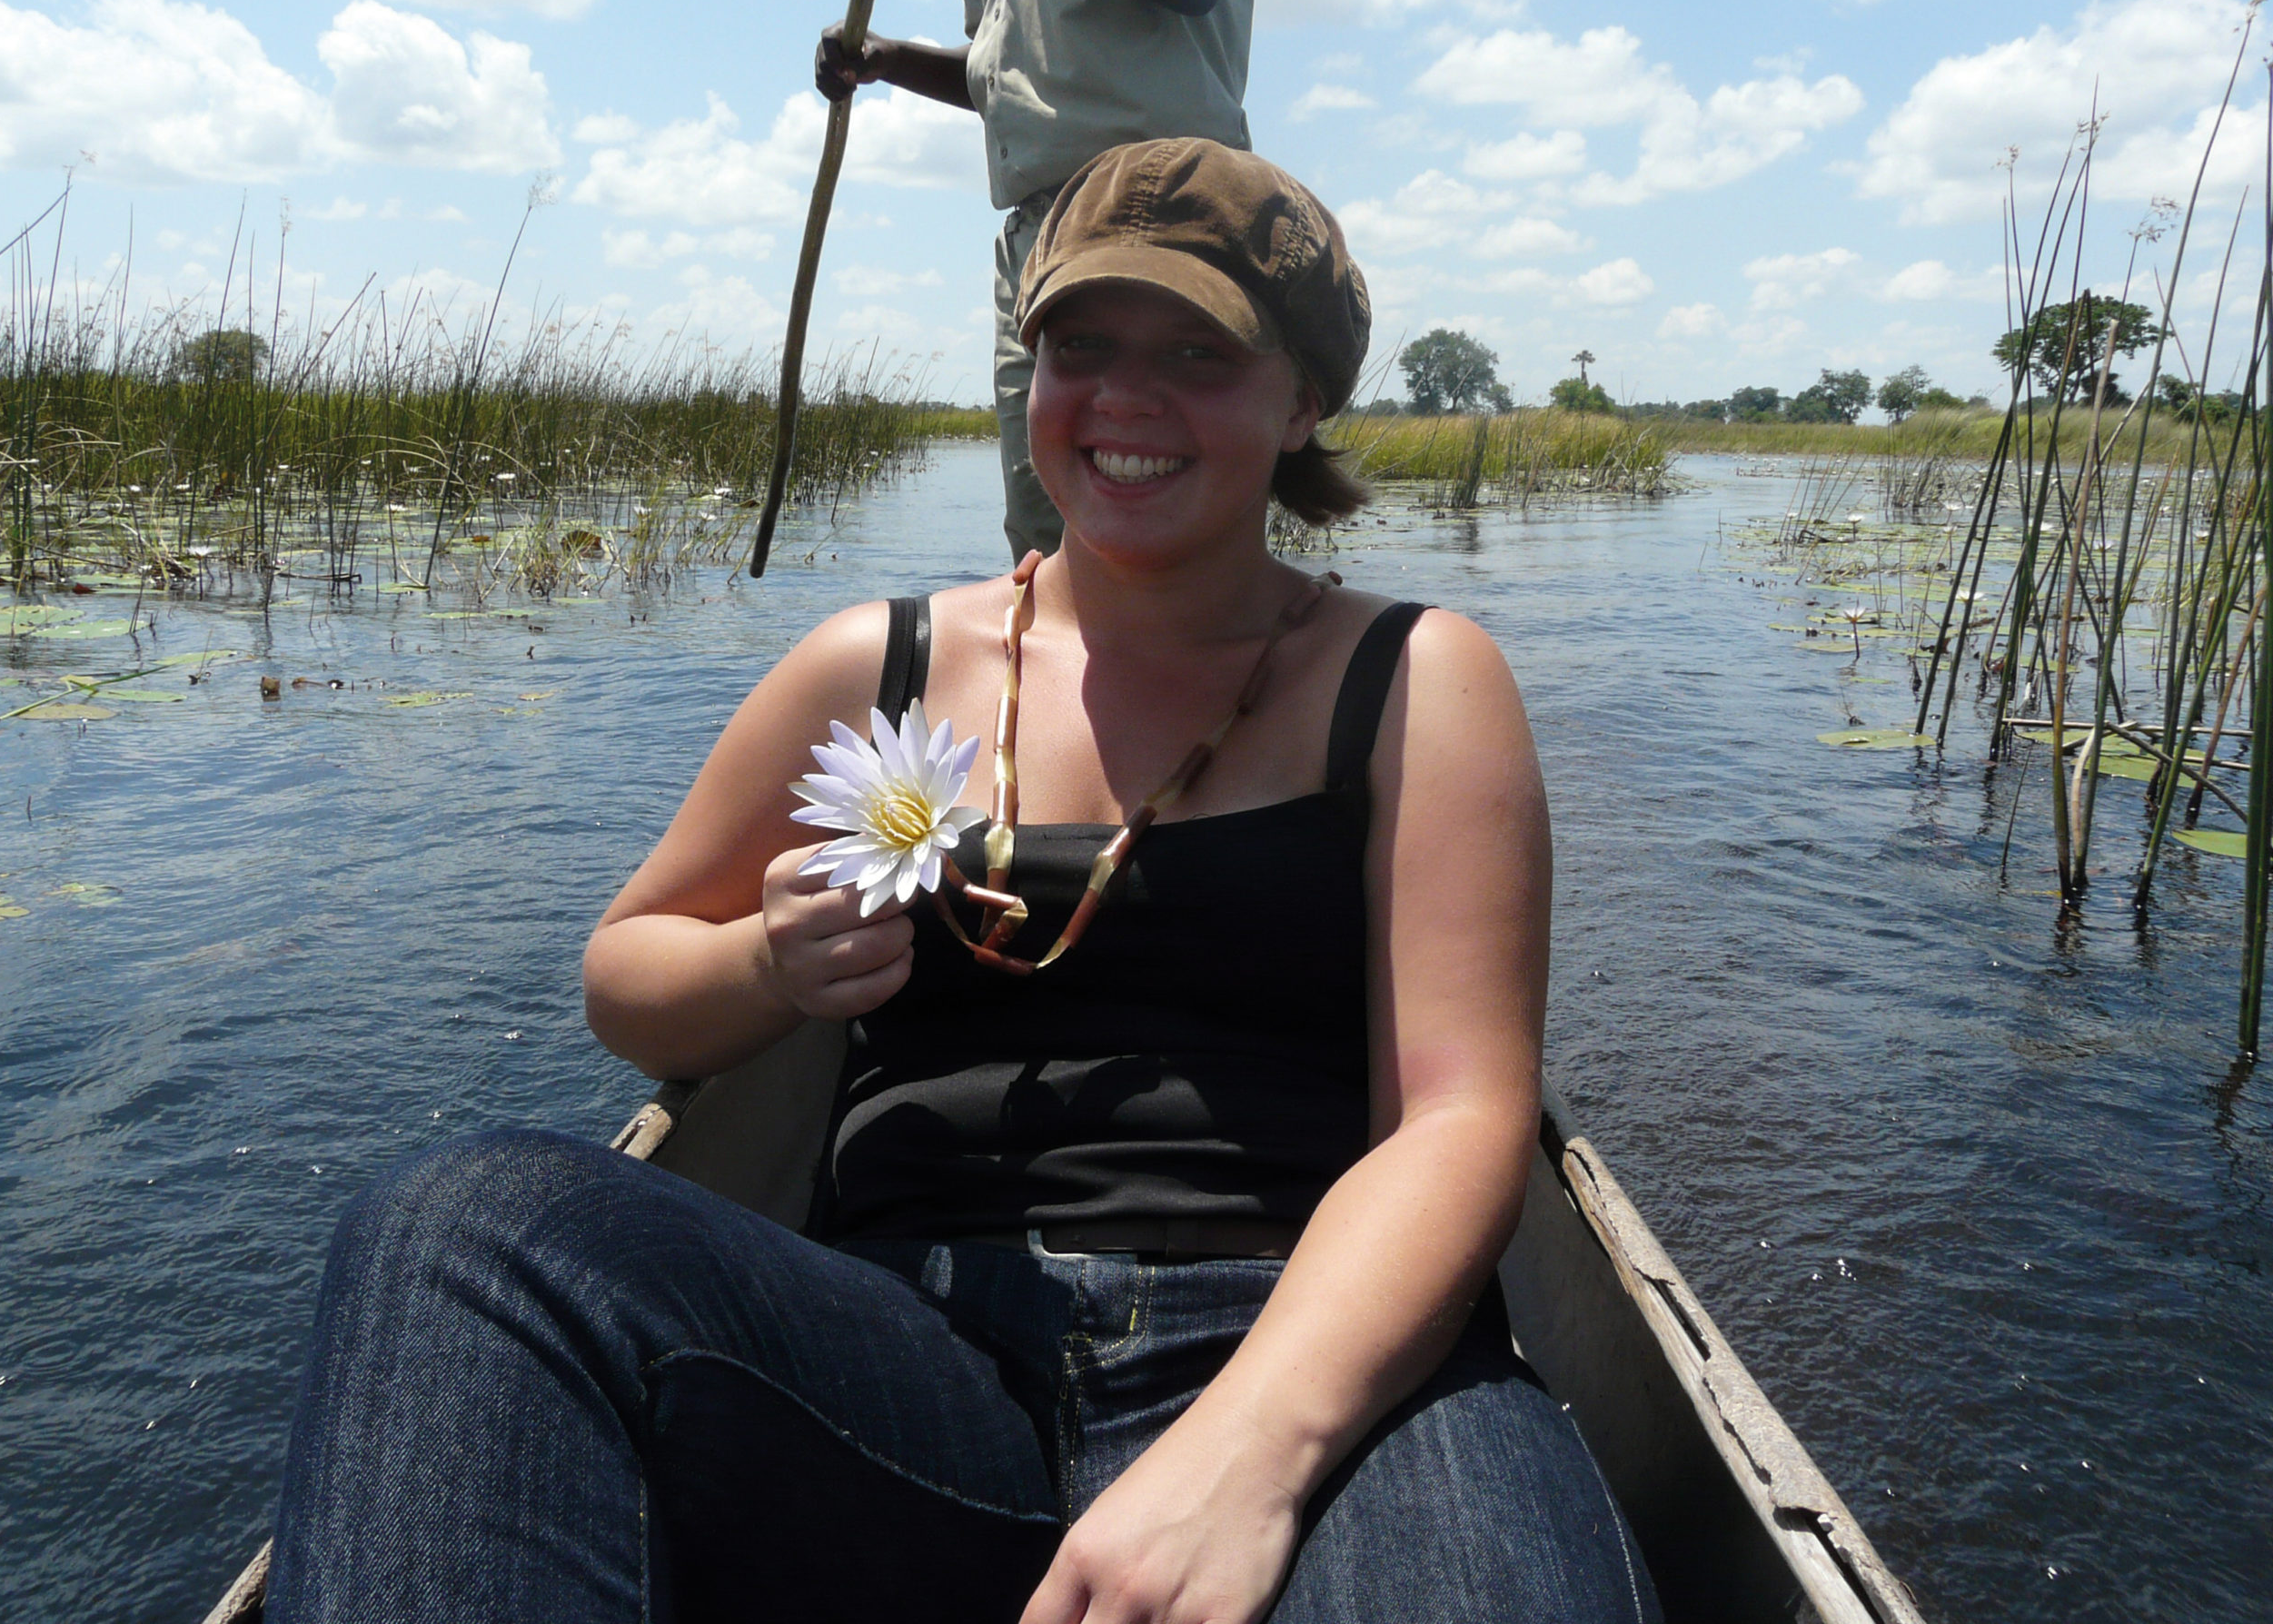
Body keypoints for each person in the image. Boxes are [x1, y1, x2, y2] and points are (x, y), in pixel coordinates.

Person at [265, 140, 1657, 1624]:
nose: (1124, 397)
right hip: (911, 1349)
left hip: (1316, 1349)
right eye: (1081, 346)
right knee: (456, 1230)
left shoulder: (1411, 679)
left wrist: (1249, 1454)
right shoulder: (883, 666)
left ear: (1302, 398)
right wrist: (766, 971)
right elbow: (631, 976)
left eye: (1197, 352)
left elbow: (1457, 1116)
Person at [817, 0, 1254, 566]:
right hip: (1035, 234)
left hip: (1154, 208)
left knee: (1154, 542)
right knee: (1047, 536)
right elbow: (1011, 79)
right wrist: (889, 60)